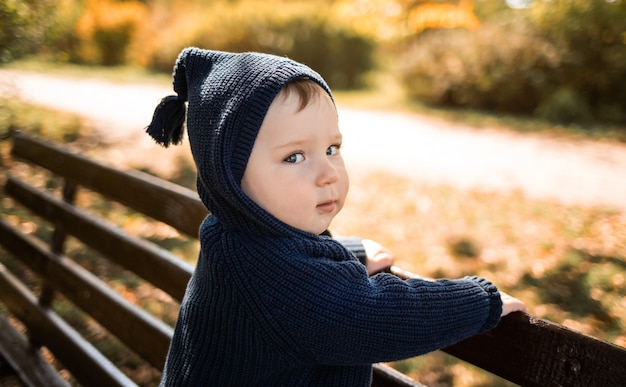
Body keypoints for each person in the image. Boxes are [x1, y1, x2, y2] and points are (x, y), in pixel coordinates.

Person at [146, 47, 526, 386]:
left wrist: (349, 253)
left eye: (332, 148)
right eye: (294, 157)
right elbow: (373, 317)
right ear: (229, 177)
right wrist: (477, 301)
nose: (328, 172)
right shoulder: (282, 284)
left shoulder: (229, 234)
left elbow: (288, 268)